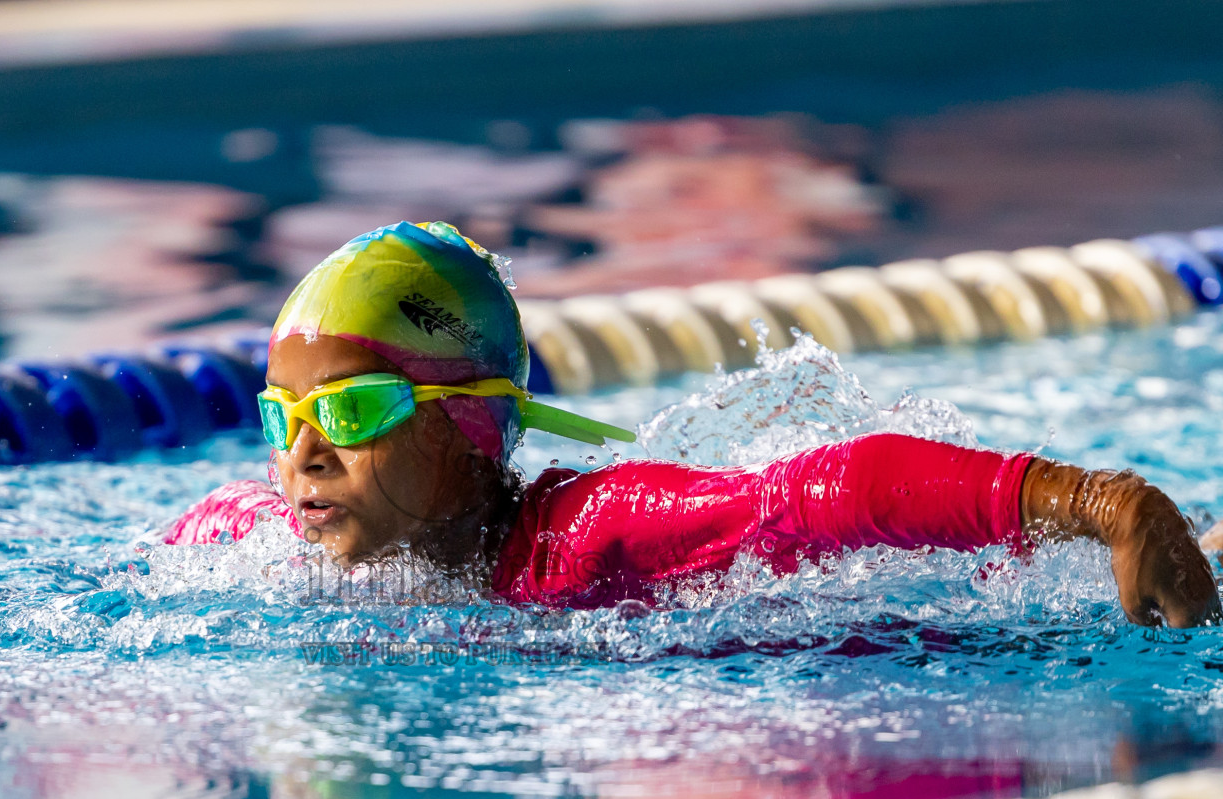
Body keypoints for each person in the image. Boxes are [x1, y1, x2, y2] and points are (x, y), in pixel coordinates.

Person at [167, 221, 1220, 628]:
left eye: (349, 410)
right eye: (281, 415)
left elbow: (825, 494)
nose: (298, 454)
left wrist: (1104, 502)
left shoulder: (584, 538)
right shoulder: (257, 539)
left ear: (467, 429)